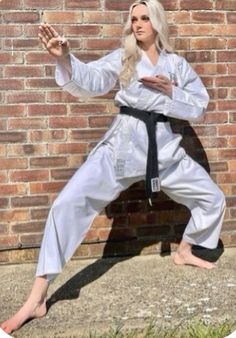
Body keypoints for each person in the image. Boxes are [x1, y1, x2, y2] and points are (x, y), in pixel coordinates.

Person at [1, 0, 226, 334]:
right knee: (67, 203)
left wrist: (171, 90)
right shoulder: (125, 58)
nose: (137, 24)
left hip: (163, 149)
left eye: (145, 18)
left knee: (212, 199)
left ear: (158, 22)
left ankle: (184, 249)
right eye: (133, 18)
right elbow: (90, 79)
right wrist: (64, 57)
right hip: (122, 146)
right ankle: (37, 296)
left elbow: (200, 108)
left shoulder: (176, 64)